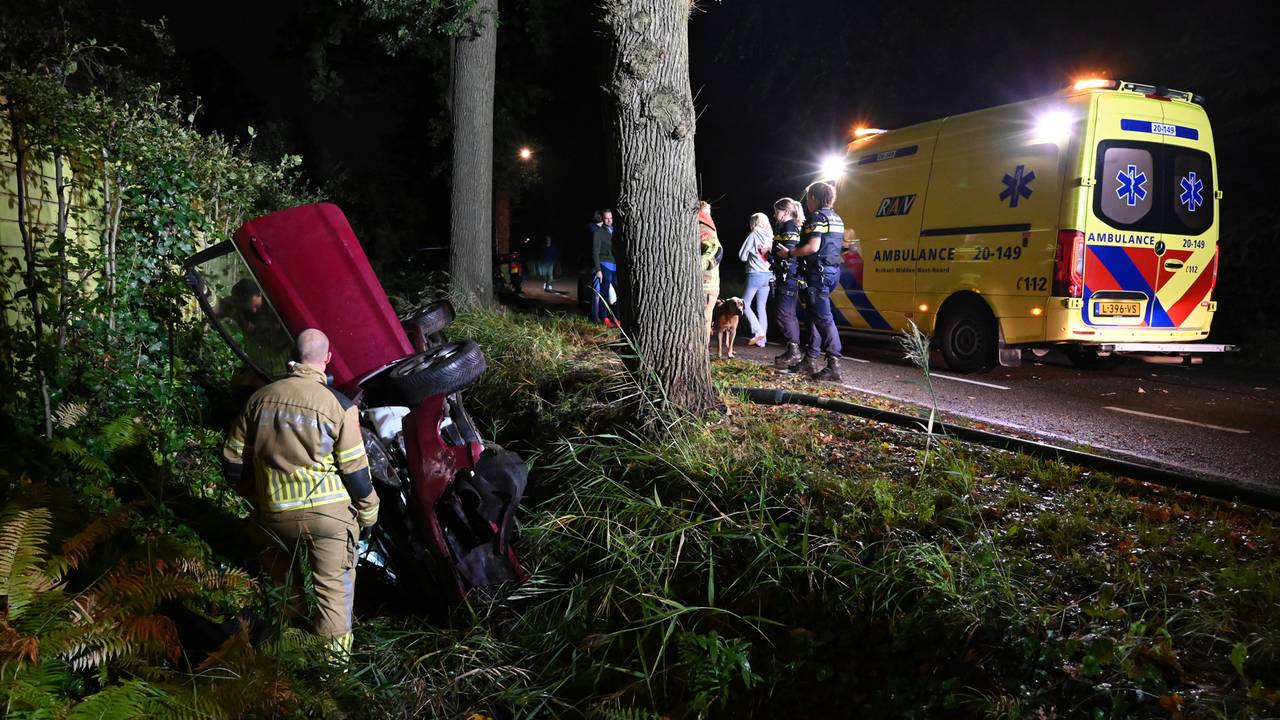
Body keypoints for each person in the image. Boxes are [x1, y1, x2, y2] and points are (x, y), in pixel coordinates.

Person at [221, 328, 380, 660]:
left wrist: (253, 494)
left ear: (291, 357)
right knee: (332, 595)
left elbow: (232, 457)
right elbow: (355, 471)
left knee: (283, 590)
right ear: (327, 358)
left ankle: (289, 659)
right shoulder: (339, 406)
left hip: (274, 515)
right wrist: (368, 513)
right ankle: (332, 674)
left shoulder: (259, 399)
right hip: (328, 519)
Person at [774, 181, 843, 381]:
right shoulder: (836, 217)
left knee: (823, 318)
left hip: (818, 274)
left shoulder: (817, 217)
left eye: (808, 199)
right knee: (814, 316)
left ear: (814, 198)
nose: (807, 203)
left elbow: (813, 247)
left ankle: (834, 365)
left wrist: (790, 253)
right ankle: (810, 360)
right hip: (831, 272)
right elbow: (839, 246)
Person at [770, 197, 805, 368]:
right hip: (790, 276)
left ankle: (794, 352)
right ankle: (793, 350)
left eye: (777, 211)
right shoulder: (792, 227)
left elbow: (786, 254)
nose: (775, 215)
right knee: (788, 314)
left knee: (784, 314)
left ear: (785, 212)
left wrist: (768, 254)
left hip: (787, 276)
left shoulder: (789, 227)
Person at [738, 212, 773, 347]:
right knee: (761, 307)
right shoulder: (770, 236)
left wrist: (750, 255)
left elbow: (742, 256)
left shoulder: (753, 235)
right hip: (767, 275)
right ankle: (762, 341)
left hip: (755, 274)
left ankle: (758, 331)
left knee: (744, 304)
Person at [698, 201, 723, 345]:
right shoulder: (707, 224)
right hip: (709, 285)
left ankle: (701, 353)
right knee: (705, 321)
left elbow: (716, 249)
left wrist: (699, 266)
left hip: (706, 285)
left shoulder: (702, 225)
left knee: (704, 322)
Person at [592, 209, 618, 327]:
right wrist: (598, 270)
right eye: (606, 218)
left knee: (619, 291)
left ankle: (617, 318)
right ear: (602, 219)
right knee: (604, 291)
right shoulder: (598, 233)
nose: (609, 220)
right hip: (604, 264)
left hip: (616, 265)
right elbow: (595, 252)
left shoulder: (616, 230)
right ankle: (604, 317)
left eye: (611, 218)